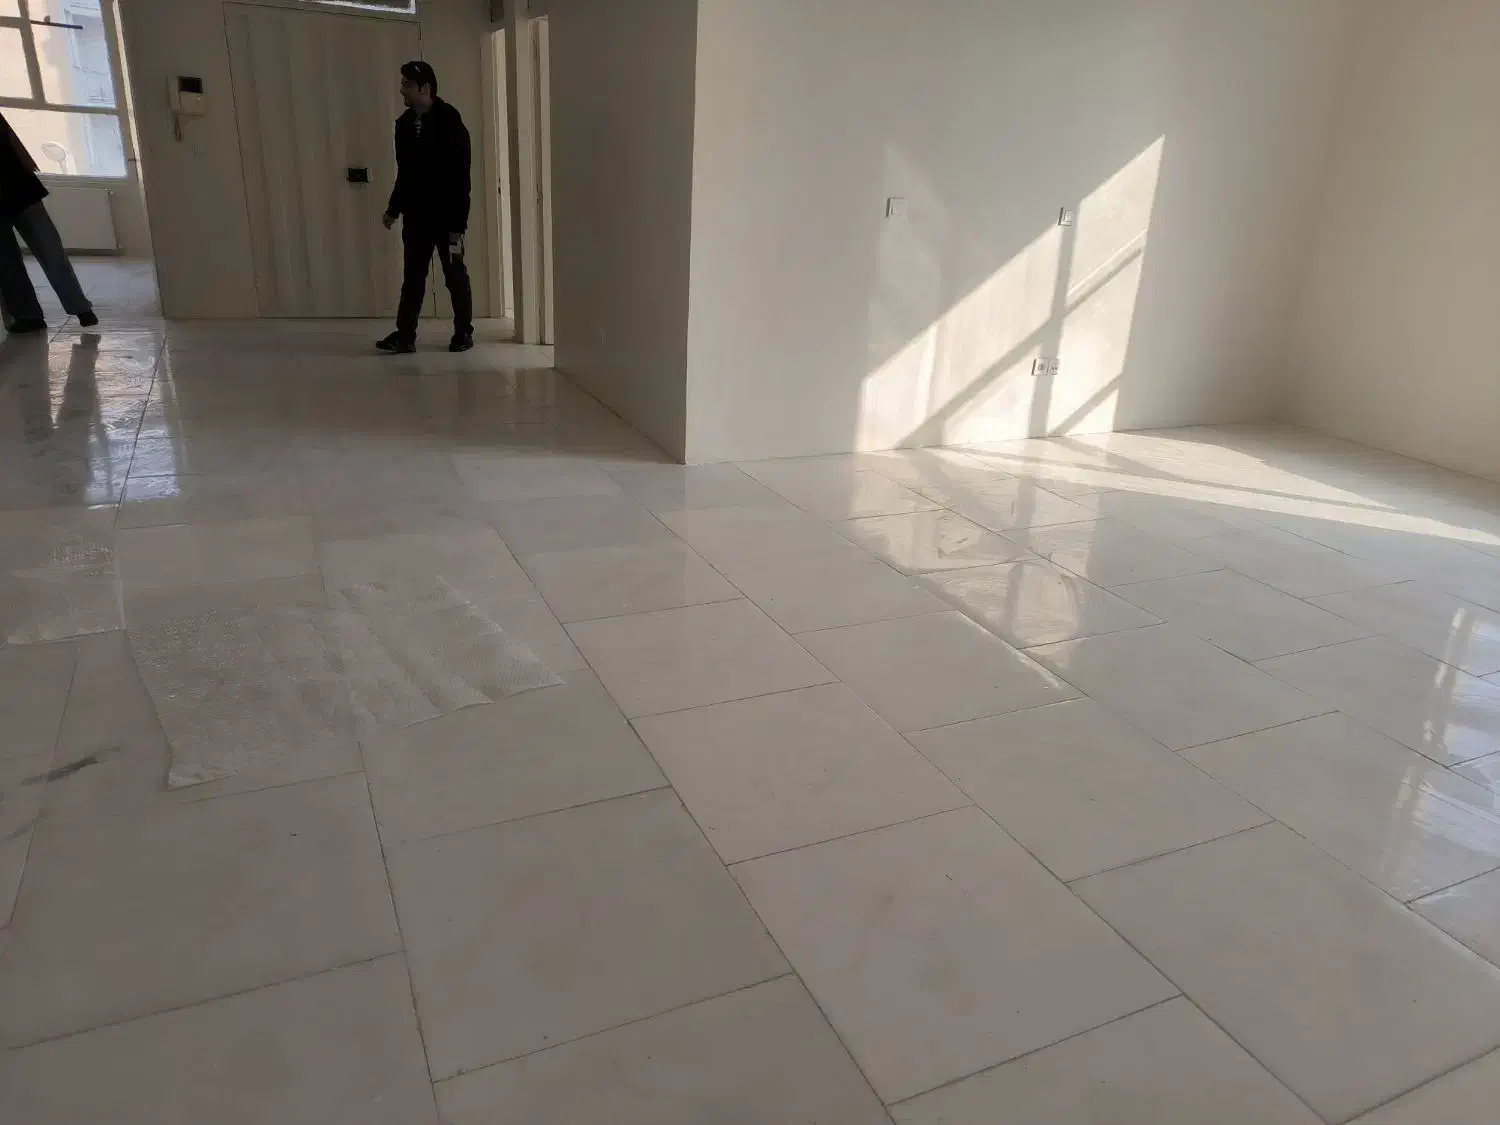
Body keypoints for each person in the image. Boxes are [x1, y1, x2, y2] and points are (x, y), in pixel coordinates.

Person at [377, 60, 473, 355]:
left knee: (455, 275)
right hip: (417, 219)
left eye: (407, 84)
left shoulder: (450, 121)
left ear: (425, 88)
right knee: (413, 277)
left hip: (448, 219)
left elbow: (461, 177)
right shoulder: (404, 125)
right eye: (403, 83)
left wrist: (458, 224)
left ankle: (463, 332)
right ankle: (405, 335)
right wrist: (394, 209)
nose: (402, 90)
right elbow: (405, 172)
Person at [0, 110, 96, 333]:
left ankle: (78, 308)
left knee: (48, 249)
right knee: (8, 260)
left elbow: (10, 140)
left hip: (20, 186)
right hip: (20, 185)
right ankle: (28, 316)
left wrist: (27, 165)